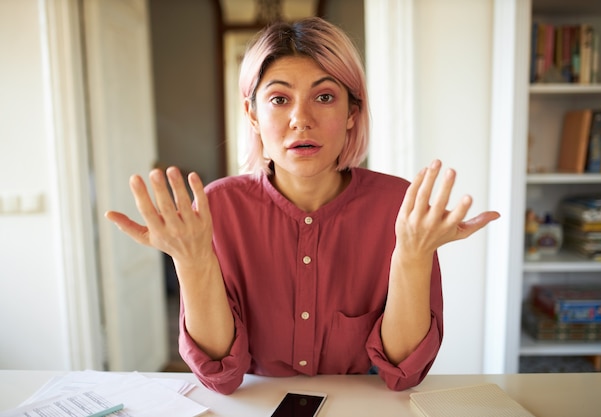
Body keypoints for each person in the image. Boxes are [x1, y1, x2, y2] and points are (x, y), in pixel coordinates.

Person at [105, 17, 500, 395]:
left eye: (324, 97)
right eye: (279, 99)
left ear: (351, 113)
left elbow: (403, 373)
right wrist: (191, 262)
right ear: (253, 115)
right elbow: (220, 377)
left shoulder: (401, 208)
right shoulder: (218, 207)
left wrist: (413, 256)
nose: (301, 119)